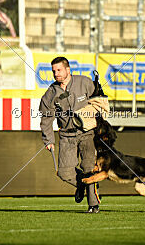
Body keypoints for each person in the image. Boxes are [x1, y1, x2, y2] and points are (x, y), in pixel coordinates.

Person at [39, 57, 101, 213]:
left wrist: (101, 126)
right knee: (64, 173)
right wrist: (48, 140)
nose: (56, 74)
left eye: (59, 70)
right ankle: (84, 184)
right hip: (66, 136)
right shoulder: (51, 93)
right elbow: (46, 118)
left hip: (87, 134)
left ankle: (93, 205)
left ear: (68, 70)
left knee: (88, 168)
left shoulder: (85, 82)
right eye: (54, 71)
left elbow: (99, 102)